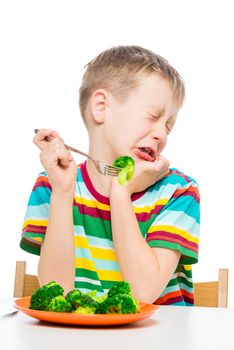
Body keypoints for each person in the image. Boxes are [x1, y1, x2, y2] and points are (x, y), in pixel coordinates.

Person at [20, 45, 200, 305]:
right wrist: (62, 193)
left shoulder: (178, 191)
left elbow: (143, 293)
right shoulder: (52, 184)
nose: (161, 134)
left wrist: (120, 191)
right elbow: (56, 295)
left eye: (168, 127)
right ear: (102, 107)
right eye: (153, 116)